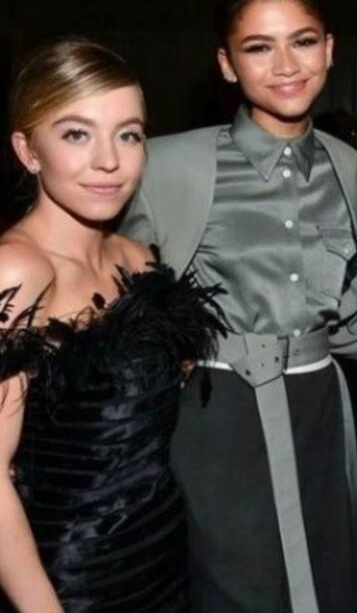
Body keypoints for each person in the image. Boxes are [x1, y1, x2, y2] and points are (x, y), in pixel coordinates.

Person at [121, 0, 357, 613]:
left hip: (322, 409)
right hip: (218, 415)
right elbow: (112, 296)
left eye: (303, 41)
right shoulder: (167, 165)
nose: (286, 65)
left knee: (329, 584)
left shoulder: (353, 169)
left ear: (329, 49)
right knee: (236, 589)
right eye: (259, 47)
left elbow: (356, 319)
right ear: (227, 64)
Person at [0, 37, 223, 612]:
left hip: (163, 560)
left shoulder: (138, 261)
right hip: (69, 580)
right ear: (28, 150)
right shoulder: (17, 271)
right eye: (77, 134)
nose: (109, 160)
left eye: (129, 134)